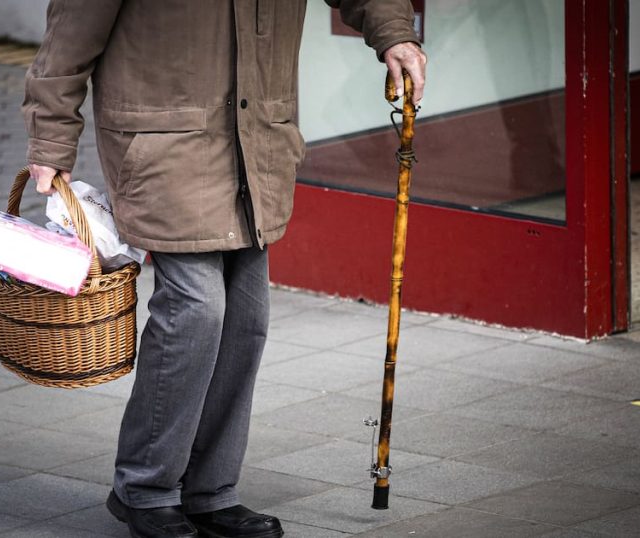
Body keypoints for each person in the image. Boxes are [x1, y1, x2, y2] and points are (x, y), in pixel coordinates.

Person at [23, 2, 426, 537]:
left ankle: (210, 490)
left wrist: (394, 34)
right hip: (164, 139)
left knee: (246, 316)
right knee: (198, 307)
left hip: (255, 137)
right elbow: (71, 32)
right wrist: (51, 139)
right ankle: (145, 487)